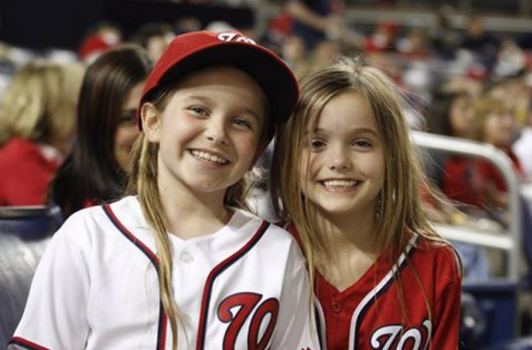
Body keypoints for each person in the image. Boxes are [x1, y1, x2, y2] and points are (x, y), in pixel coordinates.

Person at [9, 30, 319, 350]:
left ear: (257, 149)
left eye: (242, 122)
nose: (217, 132)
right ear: (152, 121)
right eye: (199, 109)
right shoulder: (88, 236)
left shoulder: (279, 252)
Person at [270, 57, 462, 349]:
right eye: (316, 143)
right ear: (288, 156)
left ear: (392, 154)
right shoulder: (261, 256)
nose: (338, 162)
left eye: (361, 143)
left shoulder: (436, 263)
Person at [48, 44, 152, 219]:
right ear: (97, 126)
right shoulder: (85, 215)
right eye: (127, 119)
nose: (146, 133)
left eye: (152, 117)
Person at [0, 60, 84, 206]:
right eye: (78, 101)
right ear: (54, 107)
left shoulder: (58, 153)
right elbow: (51, 221)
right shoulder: (18, 160)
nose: (84, 110)